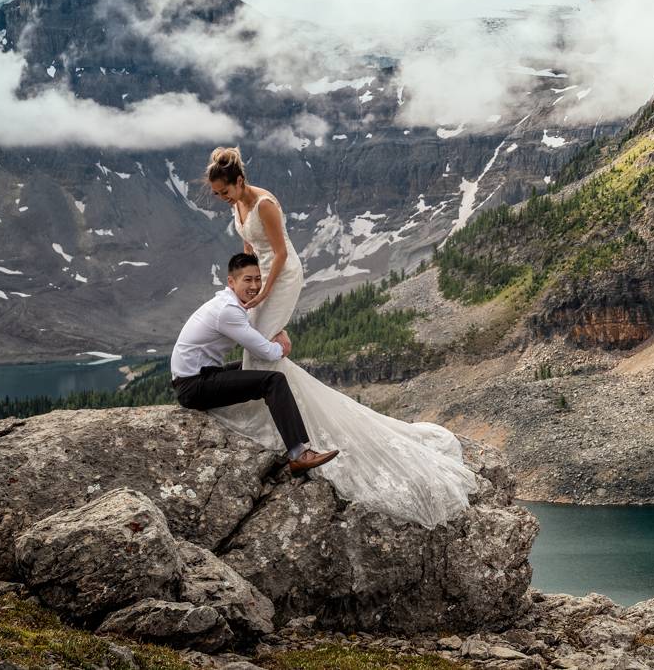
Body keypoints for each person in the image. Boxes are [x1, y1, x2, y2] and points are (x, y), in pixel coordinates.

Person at [203, 145, 479, 528]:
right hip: (261, 277)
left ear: (238, 181)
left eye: (224, 193)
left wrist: (264, 292)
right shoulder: (237, 205)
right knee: (261, 345)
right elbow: (250, 247)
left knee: (261, 343)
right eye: (218, 195)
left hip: (282, 278)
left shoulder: (265, 203)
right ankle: (285, 422)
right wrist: (248, 280)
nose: (222, 200)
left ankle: (292, 434)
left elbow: (281, 253)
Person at [170, 252, 339, 475]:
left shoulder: (228, 303)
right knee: (273, 380)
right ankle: (299, 453)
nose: (254, 285)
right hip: (194, 386)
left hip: (200, 377)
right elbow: (267, 352)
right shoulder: (228, 310)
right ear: (231, 281)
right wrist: (283, 346)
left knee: (250, 368)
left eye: (258, 279)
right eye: (247, 279)